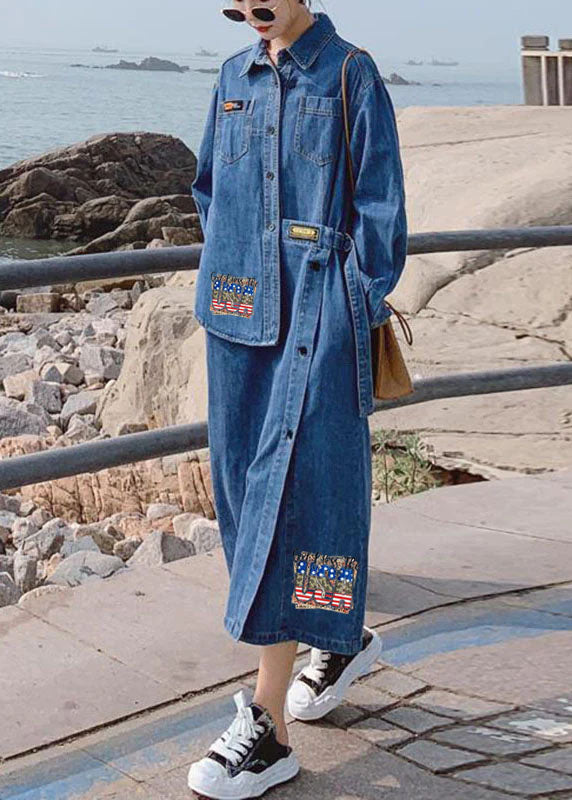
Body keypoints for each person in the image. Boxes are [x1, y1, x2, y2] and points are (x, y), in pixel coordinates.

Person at [188, 1, 408, 797]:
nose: (251, 15)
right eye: (236, 5)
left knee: (300, 498)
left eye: (263, 2)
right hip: (235, 318)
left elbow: (381, 208)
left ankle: (268, 723)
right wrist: (234, 263)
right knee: (242, 497)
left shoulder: (351, 74)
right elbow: (208, 189)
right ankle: (334, 636)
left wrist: (353, 305)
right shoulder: (231, 78)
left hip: (320, 316)